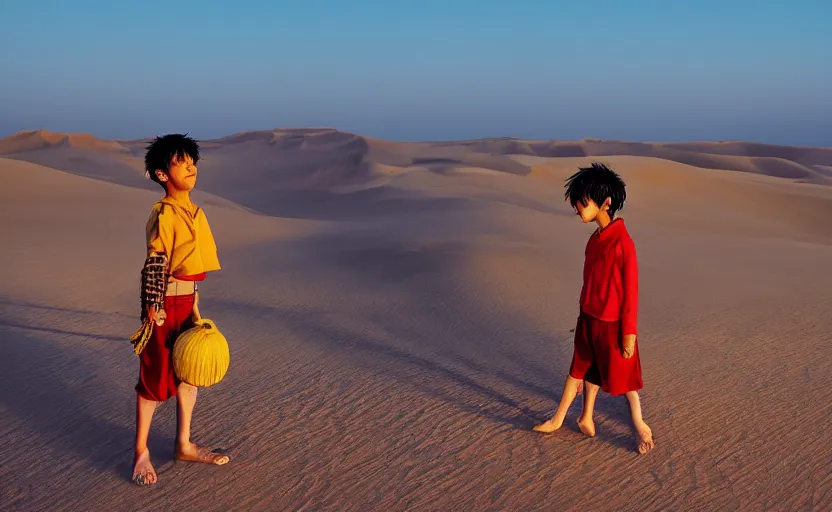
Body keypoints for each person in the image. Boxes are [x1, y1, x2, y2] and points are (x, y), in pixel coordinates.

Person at [533, 162, 654, 455]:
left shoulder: (624, 244)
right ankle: (564, 419)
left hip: (613, 325)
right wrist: (583, 313)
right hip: (589, 319)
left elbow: (631, 293)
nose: (577, 207)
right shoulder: (594, 241)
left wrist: (629, 334)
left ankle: (640, 426)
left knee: (625, 383)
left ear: (606, 202)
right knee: (580, 371)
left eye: (582, 201)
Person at [129, 134, 229, 486]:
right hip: (164, 306)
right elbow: (155, 262)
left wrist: (197, 304)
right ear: (161, 174)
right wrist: (151, 308)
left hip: (187, 303)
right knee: (154, 381)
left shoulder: (193, 211)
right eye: (180, 162)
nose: (190, 167)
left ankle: (183, 444)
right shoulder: (164, 212)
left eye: (192, 161)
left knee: (190, 370)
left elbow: (192, 265)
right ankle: (141, 452)